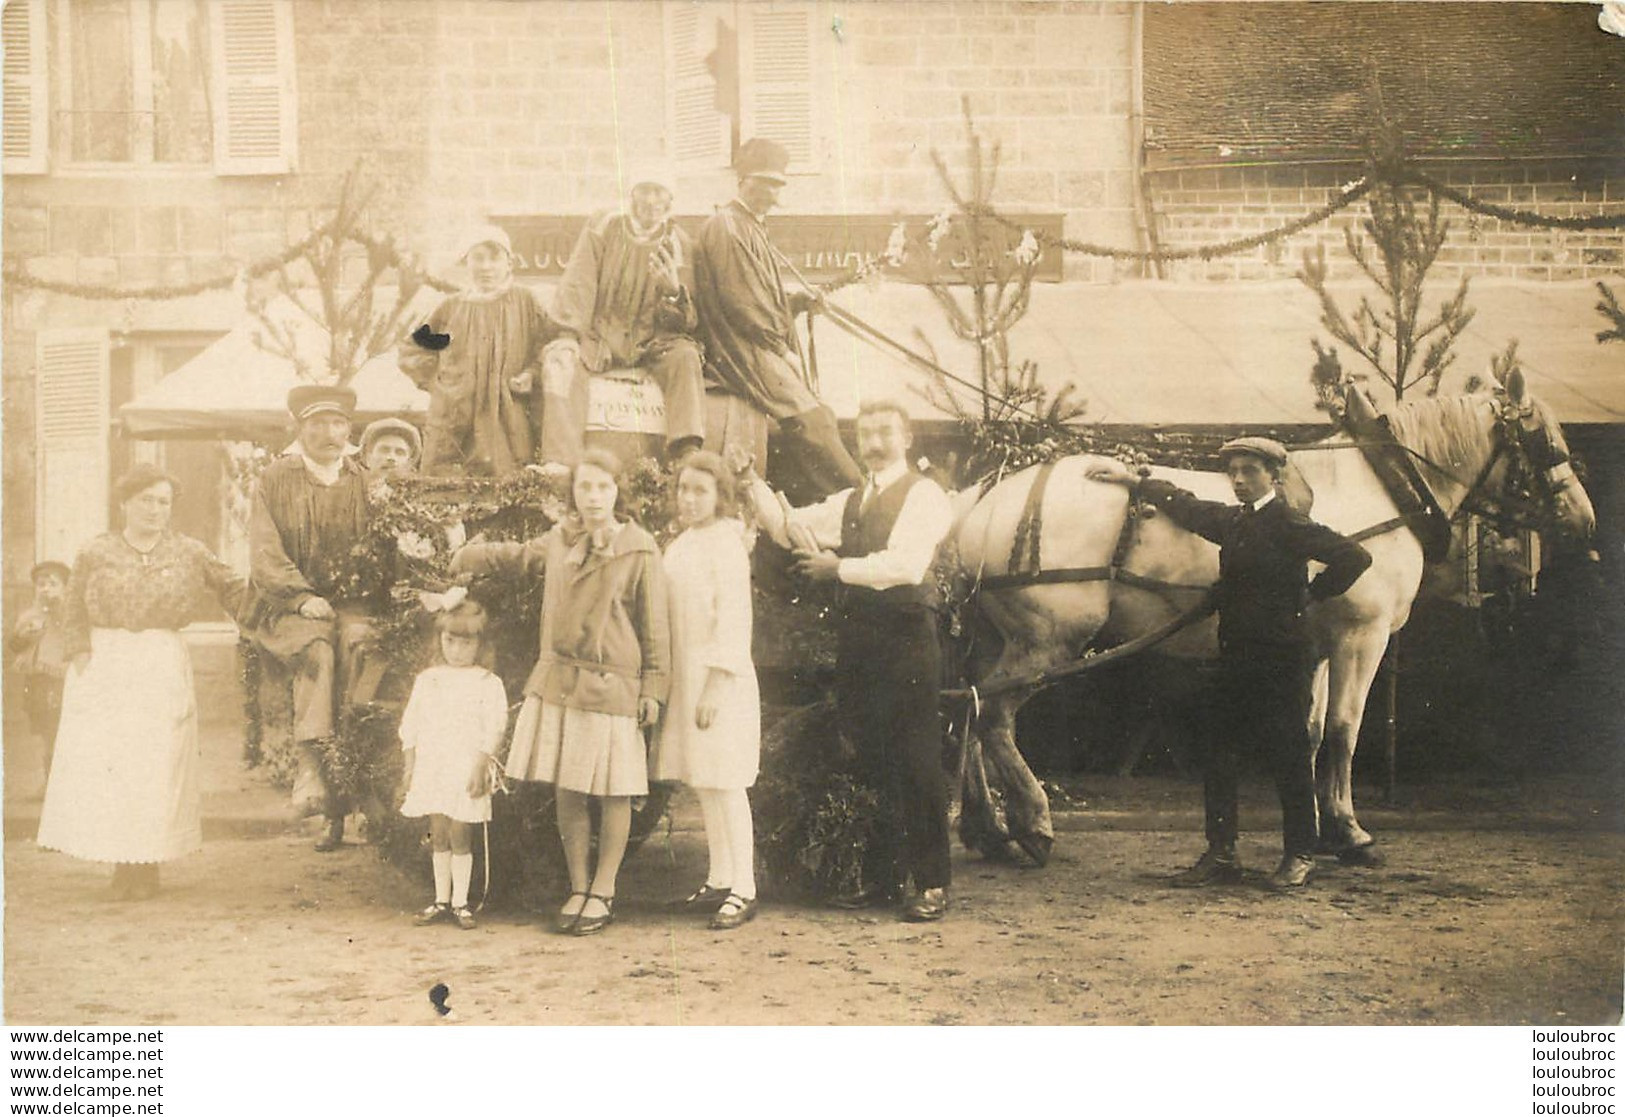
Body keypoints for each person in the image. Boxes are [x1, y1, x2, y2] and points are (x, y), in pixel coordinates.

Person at [1087, 438, 1373, 891]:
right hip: (1236, 655)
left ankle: (1299, 853)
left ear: (1273, 476)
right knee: (1217, 751)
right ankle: (1221, 853)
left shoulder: (1288, 522)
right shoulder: (1235, 521)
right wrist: (1135, 482)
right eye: (1234, 472)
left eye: (1249, 472)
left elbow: (1355, 556)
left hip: (1282, 659)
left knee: (1291, 755)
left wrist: (1310, 596)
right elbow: (1188, 507)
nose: (1239, 480)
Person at [739, 399, 954, 921]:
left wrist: (836, 569)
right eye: (866, 434)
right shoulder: (854, 499)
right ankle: (883, 878)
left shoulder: (926, 496)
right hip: (860, 642)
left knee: (917, 760)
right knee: (871, 757)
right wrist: (749, 483)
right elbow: (791, 527)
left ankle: (931, 884)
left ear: (906, 439)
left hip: (906, 641)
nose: (875, 443)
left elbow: (905, 565)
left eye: (885, 432)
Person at [451, 449, 669, 936]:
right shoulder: (558, 540)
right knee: (568, 788)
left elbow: (655, 627)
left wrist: (652, 687)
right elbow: (518, 556)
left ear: (618, 492)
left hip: (613, 684)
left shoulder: (639, 548)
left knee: (614, 791)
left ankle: (604, 890)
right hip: (560, 681)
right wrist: (468, 552)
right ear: (573, 493)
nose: (593, 497)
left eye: (603, 487)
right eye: (585, 487)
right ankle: (577, 886)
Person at [35, 465, 244, 900]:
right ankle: (120, 867)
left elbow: (235, 589)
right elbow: (73, 607)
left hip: (159, 659)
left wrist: (287, 610)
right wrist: (81, 656)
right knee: (113, 766)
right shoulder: (96, 551)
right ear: (125, 503)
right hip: (106, 661)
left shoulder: (190, 551)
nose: (155, 509)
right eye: (146, 500)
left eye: (163, 501)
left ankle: (148, 866)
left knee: (157, 765)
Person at [693, 137, 862, 496]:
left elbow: (763, 296)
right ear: (742, 182)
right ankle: (856, 495)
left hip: (756, 339)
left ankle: (833, 500)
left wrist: (799, 301)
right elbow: (742, 301)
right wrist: (782, 350)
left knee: (821, 414)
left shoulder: (750, 226)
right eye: (764, 184)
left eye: (777, 185)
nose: (773, 194)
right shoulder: (727, 226)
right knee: (811, 420)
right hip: (738, 346)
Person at [243, 385, 374, 852]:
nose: (329, 434)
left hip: (351, 604)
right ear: (300, 430)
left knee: (361, 651)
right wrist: (299, 597)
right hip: (291, 606)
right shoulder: (277, 478)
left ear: (349, 430)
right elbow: (264, 551)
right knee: (318, 651)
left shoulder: (365, 480)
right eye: (317, 424)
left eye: (338, 424)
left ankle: (355, 801)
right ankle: (310, 770)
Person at [651, 451, 762, 930]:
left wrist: (716, 685)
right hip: (687, 675)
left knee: (727, 779)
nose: (690, 499)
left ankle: (745, 886)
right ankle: (719, 877)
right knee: (704, 781)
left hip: (720, 679)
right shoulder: (680, 544)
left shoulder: (726, 543)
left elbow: (734, 619)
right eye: (684, 489)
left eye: (701, 491)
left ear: (720, 496)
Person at [542, 169, 707, 467]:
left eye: (659, 193)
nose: (651, 201)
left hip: (652, 342)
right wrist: (568, 334)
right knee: (560, 359)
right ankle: (562, 461)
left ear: (670, 199)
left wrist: (672, 291)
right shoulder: (604, 227)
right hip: (601, 338)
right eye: (644, 190)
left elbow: (687, 321)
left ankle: (686, 451)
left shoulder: (679, 242)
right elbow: (580, 280)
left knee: (686, 356)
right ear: (632, 194)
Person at [398, 225, 550, 476]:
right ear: (466, 262)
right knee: (446, 490)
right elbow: (413, 350)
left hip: (507, 417)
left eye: (494, 258)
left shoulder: (525, 302)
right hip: (455, 418)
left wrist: (532, 374)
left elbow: (548, 346)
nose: (485, 267)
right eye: (477, 258)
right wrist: (441, 384)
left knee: (509, 488)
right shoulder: (451, 308)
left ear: (509, 263)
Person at [399, 599, 508, 931]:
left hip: (465, 765)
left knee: (462, 832)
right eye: (450, 641)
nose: (457, 650)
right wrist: (409, 765)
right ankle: (440, 899)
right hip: (434, 765)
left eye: (466, 643)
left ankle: (461, 902)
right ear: (439, 640)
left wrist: (480, 765)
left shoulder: (487, 682)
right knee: (439, 832)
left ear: (480, 644)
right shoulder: (428, 679)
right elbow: (411, 724)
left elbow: (495, 728)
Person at [10, 560, 71, 789]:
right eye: (40, 584)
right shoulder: (29, 615)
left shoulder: (68, 613)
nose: (45, 589)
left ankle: (62, 782)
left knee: (59, 728)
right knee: (44, 731)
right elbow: (14, 645)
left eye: (52, 584)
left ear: (65, 587)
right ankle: (49, 781)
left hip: (59, 678)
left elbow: (74, 637)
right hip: (36, 680)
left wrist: (58, 610)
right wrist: (25, 634)